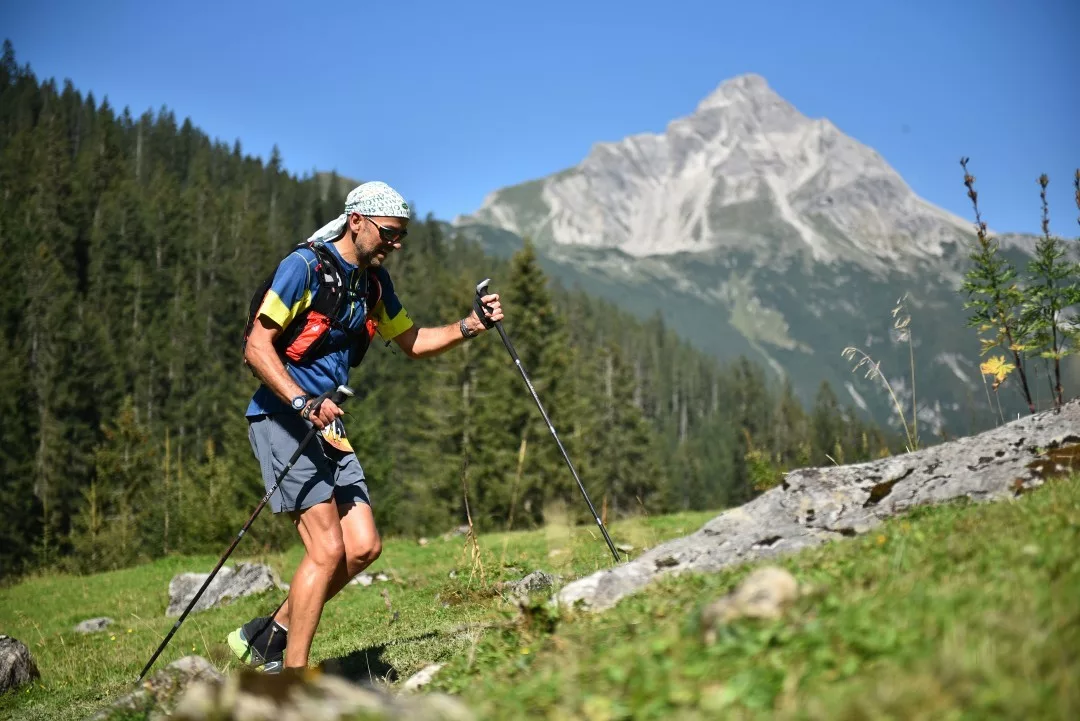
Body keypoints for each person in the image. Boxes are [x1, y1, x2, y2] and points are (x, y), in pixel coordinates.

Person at [227, 181, 503, 672]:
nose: (395, 244)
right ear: (357, 221)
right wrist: (300, 399)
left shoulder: (373, 284)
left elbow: (412, 341)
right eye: (390, 234)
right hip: (282, 417)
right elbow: (255, 346)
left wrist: (470, 325)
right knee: (327, 548)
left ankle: (267, 636)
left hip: (327, 425)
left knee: (362, 547)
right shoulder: (304, 268)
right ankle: (292, 678)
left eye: (402, 236)